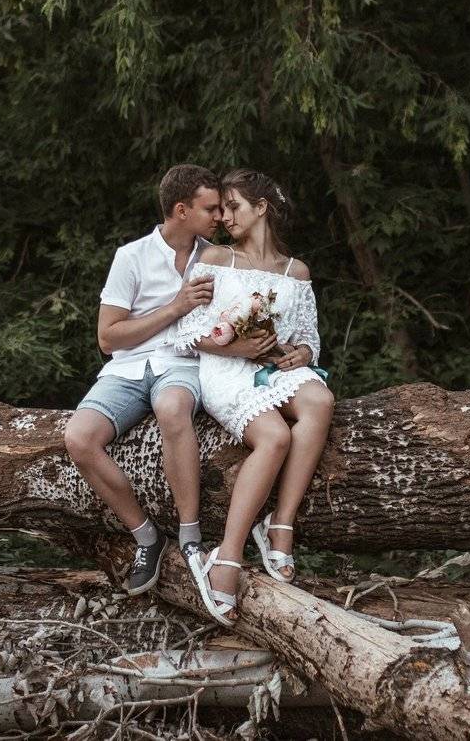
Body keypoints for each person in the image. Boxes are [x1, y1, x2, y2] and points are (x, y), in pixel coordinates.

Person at [169, 168, 334, 625]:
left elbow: (308, 340)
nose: (224, 217)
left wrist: (302, 353)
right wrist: (236, 347)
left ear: (261, 208)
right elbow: (188, 332)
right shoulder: (217, 259)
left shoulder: (296, 272)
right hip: (226, 370)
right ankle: (227, 555)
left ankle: (281, 523)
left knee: (321, 401)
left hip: (273, 369)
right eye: (221, 209)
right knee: (275, 437)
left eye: (233, 207)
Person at [63, 164, 222, 596]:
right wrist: (175, 307)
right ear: (181, 210)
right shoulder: (131, 257)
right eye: (210, 208)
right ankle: (146, 537)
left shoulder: (217, 259)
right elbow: (108, 338)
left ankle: (190, 535)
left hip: (184, 364)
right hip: (127, 368)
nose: (219, 216)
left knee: (171, 408)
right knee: (78, 438)